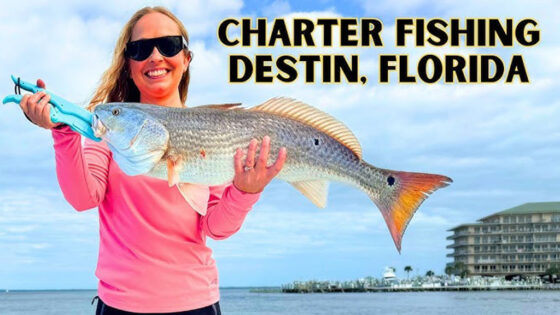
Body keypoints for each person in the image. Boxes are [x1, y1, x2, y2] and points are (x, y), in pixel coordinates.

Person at [19, 6, 286, 315]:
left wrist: (245, 191)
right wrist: (63, 132)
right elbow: (82, 198)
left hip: (195, 303)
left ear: (186, 59)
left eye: (169, 45)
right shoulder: (108, 130)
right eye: (141, 49)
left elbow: (216, 227)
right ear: (128, 65)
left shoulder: (213, 132)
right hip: (118, 305)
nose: (156, 56)